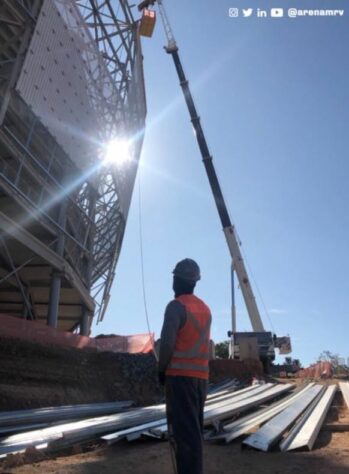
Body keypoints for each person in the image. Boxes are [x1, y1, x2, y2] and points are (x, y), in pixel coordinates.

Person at [158, 258, 212, 474]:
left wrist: (161, 370)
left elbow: (168, 343)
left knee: (184, 436)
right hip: (201, 380)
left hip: (180, 379)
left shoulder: (175, 307)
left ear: (177, 280)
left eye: (174, 278)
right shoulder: (205, 309)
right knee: (194, 433)